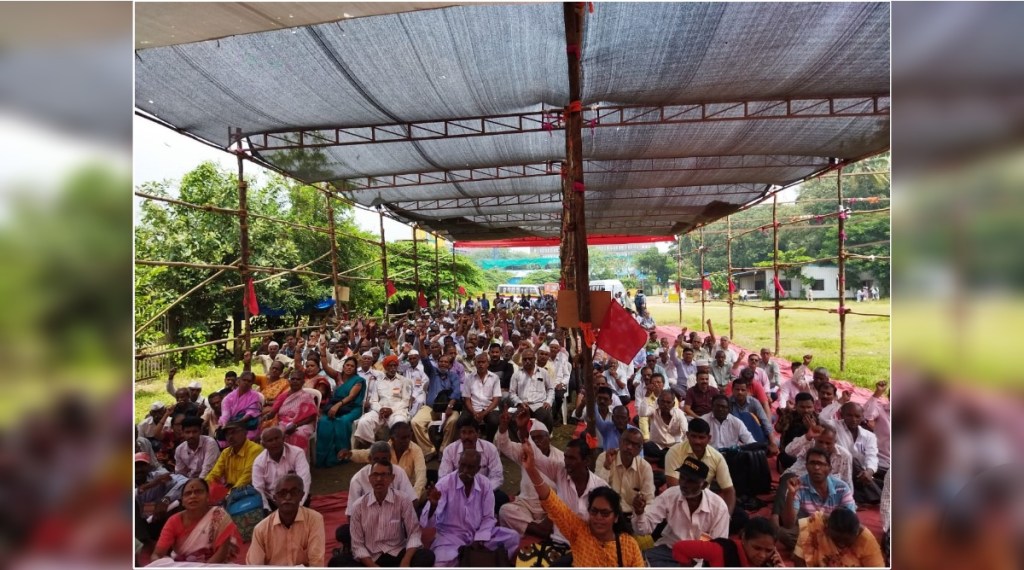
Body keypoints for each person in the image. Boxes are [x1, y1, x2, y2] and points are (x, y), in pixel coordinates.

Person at [518, 439, 644, 567]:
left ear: (616, 517)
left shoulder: (628, 546)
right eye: (594, 512)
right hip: (559, 543)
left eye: (605, 513)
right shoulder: (580, 533)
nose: (598, 518)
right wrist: (531, 470)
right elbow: (552, 503)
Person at [420, 448, 520, 567]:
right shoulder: (444, 484)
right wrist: (433, 506)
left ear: (478, 469)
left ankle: (473, 559)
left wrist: (479, 538)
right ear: (458, 464)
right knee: (440, 563)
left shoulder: (485, 484)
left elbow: (488, 517)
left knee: (512, 537)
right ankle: (479, 560)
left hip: (479, 535)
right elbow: (428, 524)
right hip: (451, 538)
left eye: (470, 467)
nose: (465, 470)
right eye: (462, 465)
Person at [633, 456, 731, 566]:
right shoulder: (670, 495)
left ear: (703, 485)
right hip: (669, 550)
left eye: (691, 481)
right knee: (638, 562)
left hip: (701, 558)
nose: (684, 484)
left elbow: (718, 548)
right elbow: (642, 530)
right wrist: (639, 513)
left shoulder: (718, 507)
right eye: (682, 477)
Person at [335, 461, 434, 567]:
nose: (379, 479)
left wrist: (406, 560)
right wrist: (373, 566)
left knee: (426, 556)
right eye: (375, 475)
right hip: (371, 557)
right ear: (369, 479)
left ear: (392, 478)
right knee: (337, 563)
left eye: (384, 475)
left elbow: (414, 533)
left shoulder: (403, 500)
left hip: (397, 552)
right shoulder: (358, 506)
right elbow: (357, 545)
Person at [779, 447, 856, 548]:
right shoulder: (797, 485)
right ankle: (827, 548)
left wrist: (824, 522)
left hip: (834, 531)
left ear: (829, 468)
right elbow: (788, 524)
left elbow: (850, 519)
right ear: (806, 466)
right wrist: (791, 494)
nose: (816, 467)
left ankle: (813, 549)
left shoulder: (842, 487)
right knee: (783, 533)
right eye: (812, 463)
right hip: (808, 531)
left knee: (857, 533)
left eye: (821, 464)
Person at [152, 478, 241, 564]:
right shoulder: (173, 521)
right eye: (188, 493)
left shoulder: (219, 516)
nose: (193, 496)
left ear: (208, 496)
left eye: (198, 492)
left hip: (215, 565)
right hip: (182, 565)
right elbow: (157, 554)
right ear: (182, 501)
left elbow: (221, 555)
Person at [247, 474, 325, 567]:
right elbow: (254, 566)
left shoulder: (314, 520)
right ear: (275, 498)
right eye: (282, 493)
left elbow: (316, 562)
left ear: (302, 496)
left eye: (294, 492)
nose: (288, 497)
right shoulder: (261, 530)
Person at [438, 414, 506, 510]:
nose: (467, 437)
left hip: (483, 492)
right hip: (457, 492)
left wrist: (480, 493)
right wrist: (461, 493)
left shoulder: (490, 448)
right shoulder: (450, 450)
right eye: (463, 432)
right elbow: (443, 478)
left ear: (478, 433)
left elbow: (497, 477)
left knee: (502, 499)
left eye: (470, 432)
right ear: (459, 434)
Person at [341, 422, 426, 499]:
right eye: (403, 438)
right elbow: (366, 454)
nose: (407, 441)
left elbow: (421, 477)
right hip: (388, 488)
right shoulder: (385, 448)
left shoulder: (416, 450)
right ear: (392, 439)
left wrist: (414, 497)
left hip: (409, 489)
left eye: (409, 437)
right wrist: (350, 454)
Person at [594, 427, 655, 525]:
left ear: (640, 450)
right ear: (620, 442)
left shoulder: (645, 467)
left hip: (632, 517)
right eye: (627, 442)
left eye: (635, 445)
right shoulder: (604, 458)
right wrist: (606, 466)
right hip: (606, 515)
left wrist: (639, 511)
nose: (629, 447)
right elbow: (596, 491)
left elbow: (649, 501)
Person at [672, 516, 784, 567]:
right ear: (744, 539)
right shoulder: (719, 551)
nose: (762, 555)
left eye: (768, 550)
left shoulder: (770, 563)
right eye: (757, 548)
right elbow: (679, 548)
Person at [826, 402, 881, 504]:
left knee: (883, 475)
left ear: (862, 417)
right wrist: (840, 401)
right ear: (842, 415)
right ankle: (878, 496)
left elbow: (872, 456)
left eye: (857, 416)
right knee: (851, 459)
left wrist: (869, 472)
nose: (853, 419)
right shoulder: (835, 426)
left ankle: (869, 494)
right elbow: (822, 417)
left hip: (861, 475)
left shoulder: (869, 435)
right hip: (841, 469)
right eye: (849, 415)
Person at [353, 355, 413, 447]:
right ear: (385, 367)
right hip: (379, 411)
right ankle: (373, 447)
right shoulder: (378, 381)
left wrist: (391, 410)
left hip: (397, 411)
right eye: (390, 366)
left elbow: (406, 401)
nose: (392, 368)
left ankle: (394, 448)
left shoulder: (404, 381)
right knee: (364, 421)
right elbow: (374, 401)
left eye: (394, 366)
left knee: (399, 423)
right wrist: (380, 410)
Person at [316, 356, 365, 467]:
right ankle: (324, 457)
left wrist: (337, 405)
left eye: (352, 366)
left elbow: (352, 396)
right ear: (343, 367)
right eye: (347, 365)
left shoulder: (358, 381)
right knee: (324, 422)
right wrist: (323, 352)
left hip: (352, 407)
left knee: (342, 421)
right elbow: (325, 366)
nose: (349, 367)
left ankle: (342, 454)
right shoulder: (338, 376)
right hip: (336, 406)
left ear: (355, 369)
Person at [793, 508, 885, 567]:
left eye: (846, 541)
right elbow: (799, 559)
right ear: (827, 528)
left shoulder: (866, 540)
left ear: (856, 533)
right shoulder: (814, 524)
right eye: (836, 539)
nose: (841, 544)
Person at [252, 426, 311, 511]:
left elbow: (305, 479)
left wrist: (299, 505)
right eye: (270, 440)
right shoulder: (258, 462)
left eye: (277, 438)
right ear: (264, 445)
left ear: (283, 439)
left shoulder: (297, 453)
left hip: (295, 498)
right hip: (272, 500)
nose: (274, 442)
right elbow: (258, 489)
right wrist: (267, 510)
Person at [135, 452, 188, 543]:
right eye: (136, 466)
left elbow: (185, 481)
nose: (139, 469)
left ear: (148, 467)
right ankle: (146, 545)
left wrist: (166, 499)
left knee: (182, 501)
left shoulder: (158, 475)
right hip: (137, 526)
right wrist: (153, 484)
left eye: (142, 466)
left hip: (159, 519)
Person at [260, 369, 318, 452]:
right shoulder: (283, 396)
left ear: (303, 382)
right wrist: (265, 417)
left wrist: (296, 425)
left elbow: (312, 417)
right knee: (275, 436)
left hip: (303, 424)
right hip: (284, 423)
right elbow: (272, 413)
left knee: (298, 434)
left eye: (298, 379)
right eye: (293, 379)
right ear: (289, 381)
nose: (295, 381)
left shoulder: (307, 397)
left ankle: (297, 461)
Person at [205, 421, 263, 493]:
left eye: (234, 432)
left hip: (249, 492)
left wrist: (230, 494)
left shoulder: (255, 450)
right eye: (227, 434)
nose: (230, 437)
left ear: (245, 432)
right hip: (230, 491)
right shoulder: (226, 452)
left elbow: (246, 478)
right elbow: (214, 474)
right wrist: (203, 488)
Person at [637, 390, 687, 468]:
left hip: (674, 445)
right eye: (662, 402)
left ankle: (658, 459)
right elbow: (642, 413)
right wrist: (646, 396)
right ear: (658, 402)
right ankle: (667, 457)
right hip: (657, 445)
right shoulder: (653, 409)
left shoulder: (679, 414)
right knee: (647, 446)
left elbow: (685, 431)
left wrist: (681, 447)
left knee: (679, 450)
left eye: (668, 402)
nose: (665, 405)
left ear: (673, 404)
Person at [509, 348, 556, 432]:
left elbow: (551, 389)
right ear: (522, 360)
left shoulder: (543, 372)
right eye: (525, 359)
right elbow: (512, 393)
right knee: (513, 421)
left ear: (535, 359)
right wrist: (519, 402)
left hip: (539, 405)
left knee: (546, 415)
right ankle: (521, 442)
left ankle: (545, 438)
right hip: (522, 405)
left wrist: (548, 401)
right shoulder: (516, 374)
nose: (527, 361)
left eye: (530, 359)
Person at [463, 352, 502, 441]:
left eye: (483, 362)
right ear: (475, 364)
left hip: (490, 408)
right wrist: (474, 412)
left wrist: (484, 413)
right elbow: (467, 399)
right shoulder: (469, 378)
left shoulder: (495, 377)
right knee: (461, 421)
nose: (481, 364)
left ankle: (489, 442)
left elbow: (496, 400)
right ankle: (470, 442)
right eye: (478, 362)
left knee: (494, 421)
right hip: (473, 408)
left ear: (488, 363)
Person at [218, 371, 263, 441]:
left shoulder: (255, 395)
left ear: (252, 383)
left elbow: (251, 412)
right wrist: (224, 425)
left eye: (249, 381)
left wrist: (238, 422)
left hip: (247, 426)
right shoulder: (228, 397)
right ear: (238, 381)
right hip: (230, 426)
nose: (246, 383)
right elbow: (225, 414)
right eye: (244, 380)